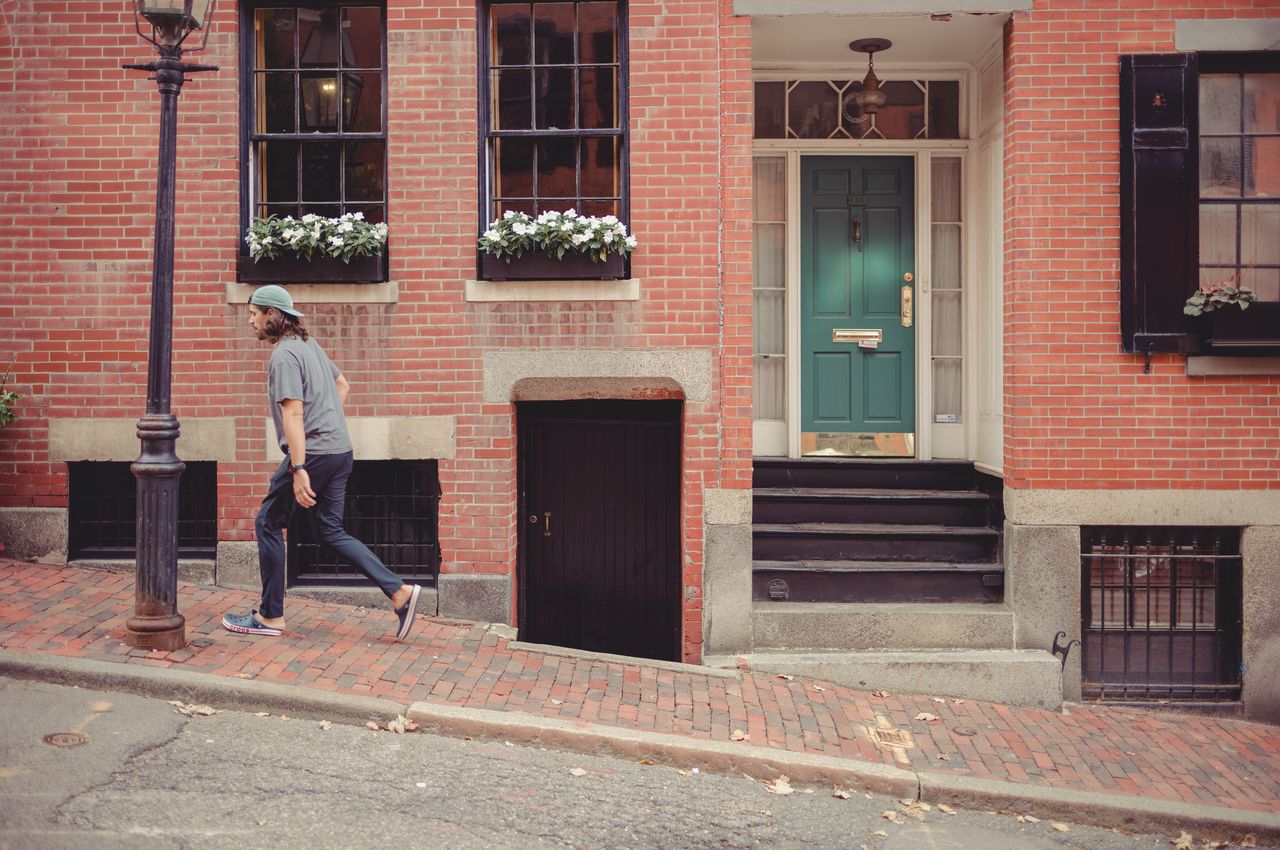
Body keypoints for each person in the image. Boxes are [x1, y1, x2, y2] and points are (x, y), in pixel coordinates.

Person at [222, 284, 422, 640]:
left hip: (313, 455)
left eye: (253, 314)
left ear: (271, 314)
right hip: (339, 451)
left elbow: (294, 413)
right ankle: (400, 592)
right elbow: (342, 384)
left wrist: (299, 469)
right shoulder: (308, 345)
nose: (250, 321)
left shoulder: (284, 355)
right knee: (329, 531)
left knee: (268, 522)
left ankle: (270, 616)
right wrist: (328, 425)